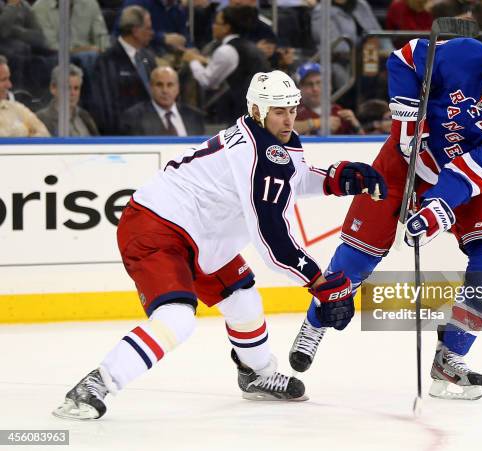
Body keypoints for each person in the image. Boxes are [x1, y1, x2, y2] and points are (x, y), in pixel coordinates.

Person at [52, 70, 387, 420]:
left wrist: (336, 179)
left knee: (243, 301)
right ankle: (95, 385)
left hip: (204, 235)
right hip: (157, 227)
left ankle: (256, 375)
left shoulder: (273, 141)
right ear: (257, 110)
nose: (289, 119)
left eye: (292, 109)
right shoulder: (259, 153)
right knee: (177, 318)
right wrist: (319, 282)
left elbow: (292, 178)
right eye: (279, 111)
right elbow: (271, 238)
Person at [289, 36, 482, 401]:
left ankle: (451, 356)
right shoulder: (465, 54)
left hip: (460, 180)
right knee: (359, 255)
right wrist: (407, 123)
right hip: (400, 161)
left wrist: (436, 210)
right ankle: (315, 324)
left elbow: (468, 177)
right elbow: (403, 58)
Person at [182, 5, 270, 123]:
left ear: (226, 27)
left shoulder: (226, 50)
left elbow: (207, 81)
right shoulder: (251, 47)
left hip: (242, 115)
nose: (213, 27)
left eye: (217, 23)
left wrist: (192, 60)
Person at [90, 5, 156, 134]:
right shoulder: (107, 61)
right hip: (125, 134)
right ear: (136, 31)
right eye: (148, 28)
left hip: (152, 130)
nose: (152, 32)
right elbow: (107, 109)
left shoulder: (148, 57)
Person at [121, 66, 205, 136]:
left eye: (170, 85)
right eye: (159, 85)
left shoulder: (195, 116)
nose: (165, 90)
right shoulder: (134, 117)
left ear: (178, 88)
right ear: (151, 88)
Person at [294, 62, 364, 136]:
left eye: (319, 83)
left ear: (329, 86)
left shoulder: (338, 111)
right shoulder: (292, 110)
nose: (315, 89)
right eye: (309, 84)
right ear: (299, 88)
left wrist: (355, 124)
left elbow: (364, 144)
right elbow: (283, 129)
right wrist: (319, 123)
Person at [36, 64, 99, 136]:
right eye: (68, 88)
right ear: (53, 88)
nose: (72, 93)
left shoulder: (84, 116)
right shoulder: (41, 119)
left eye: (76, 88)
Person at [0, 54, 50, 137]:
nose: (9, 85)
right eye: (3, 79)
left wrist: (26, 146)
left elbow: (44, 134)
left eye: (8, 79)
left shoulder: (17, 108)